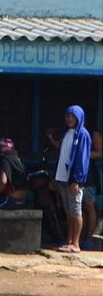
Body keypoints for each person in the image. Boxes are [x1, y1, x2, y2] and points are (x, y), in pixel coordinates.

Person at [53, 105, 91, 252]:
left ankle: (76, 243)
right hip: (62, 178)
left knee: (76, 210)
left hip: (73, 180)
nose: (69, 119)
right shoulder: (67, 134)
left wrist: (76, 179)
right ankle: (69, 240)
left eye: (73, 116)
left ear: (79, 117)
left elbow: (82, 159)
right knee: (68, 211)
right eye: (68, 116)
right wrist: (55, 177)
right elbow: (61, 157)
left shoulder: (82, 134)